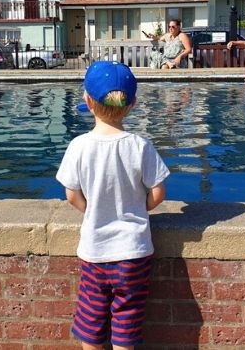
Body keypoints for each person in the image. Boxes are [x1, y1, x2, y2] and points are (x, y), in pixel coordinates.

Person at [57, 61, 169, 350]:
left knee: (91, 325)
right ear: (132, 104)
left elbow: (71, 195)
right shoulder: (140, 145)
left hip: (96, 252)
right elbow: (158, 193)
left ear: (87, 101)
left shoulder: (79, 146)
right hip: (134, 253)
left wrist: (93, 209)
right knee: (126, 325)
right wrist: (135, 208)